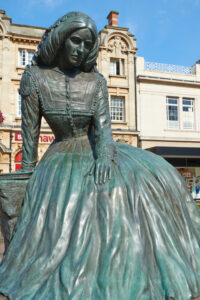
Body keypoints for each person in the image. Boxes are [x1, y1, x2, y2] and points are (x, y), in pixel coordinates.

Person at [0, 11, 200, 300]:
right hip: (61, 154)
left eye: (86, 44)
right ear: (61, 39)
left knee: (149, 178)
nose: (80, 49)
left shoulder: (96, 82)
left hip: (97, 147)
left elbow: (103, 128)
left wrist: (106, 157)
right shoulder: (34, 78)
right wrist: (26, 177)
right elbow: (29, 136)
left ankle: (151, 267)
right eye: (75, 41)